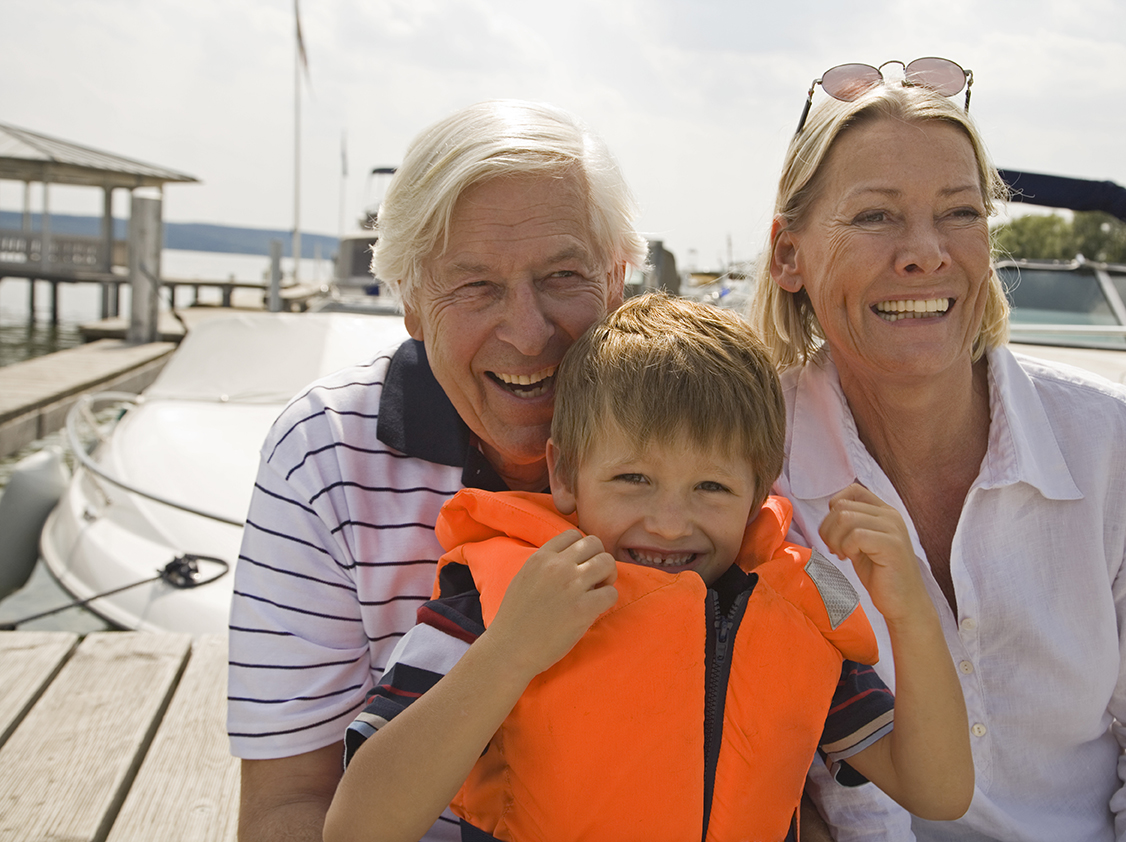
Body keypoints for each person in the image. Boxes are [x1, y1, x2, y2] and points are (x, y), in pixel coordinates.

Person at [751, 59, 1126, 840]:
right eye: (876, 217)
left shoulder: (1116, 446)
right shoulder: (743, 464)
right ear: (788, 255)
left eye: (960, 211)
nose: (925, 252)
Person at [322, 293, 973, 842]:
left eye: (710, 488)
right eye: (633, 479)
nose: (668, 522)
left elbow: (938, 793)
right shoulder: (500, 606)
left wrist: (909, 608)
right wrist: (510, 652)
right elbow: (357, 828)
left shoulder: (810, 597)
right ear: (564, 475)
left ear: (760, 488)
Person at [226, 100, 647, 842]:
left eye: (562, 275)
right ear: (412, 304)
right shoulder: (324, 454)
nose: (527, 331)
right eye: (475, 286)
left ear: (616, 280)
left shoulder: (714, 433)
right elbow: (291, 801)